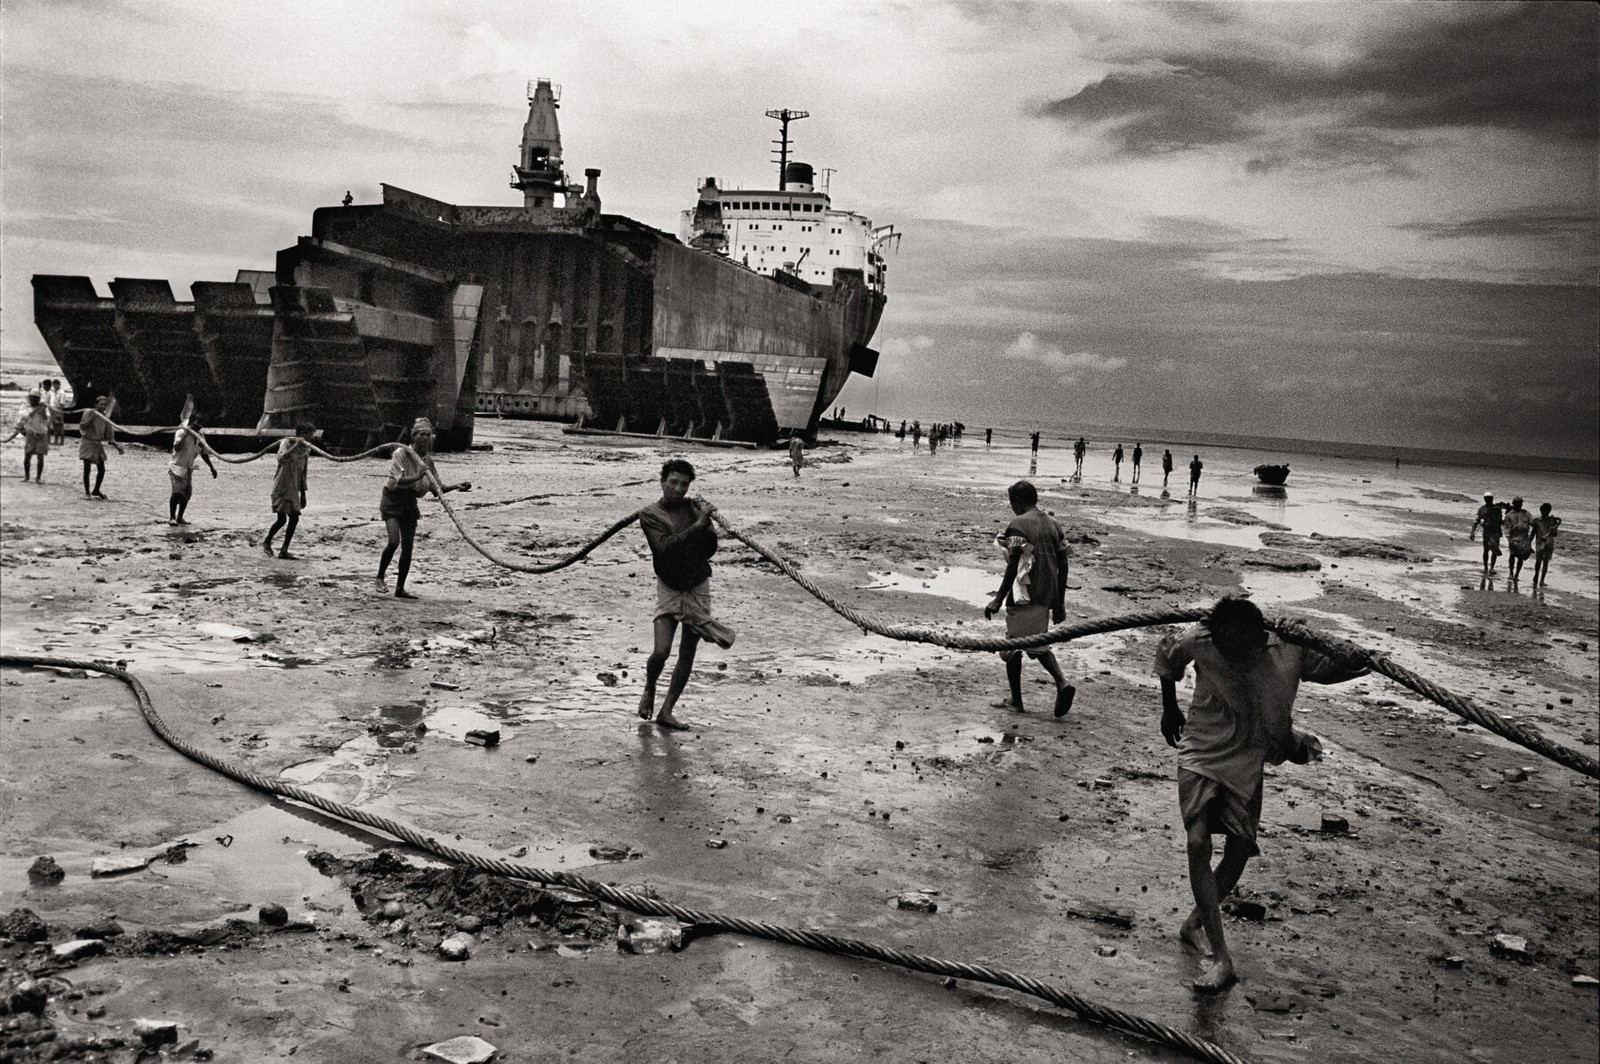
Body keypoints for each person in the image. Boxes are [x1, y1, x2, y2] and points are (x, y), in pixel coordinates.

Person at [1155, 596, 1366, 991]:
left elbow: (1340, 666)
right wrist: (1169, 709)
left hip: (1251, 753)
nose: (1235, 658)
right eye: (1226, 651)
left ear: (1260, 639)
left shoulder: (1287, 647)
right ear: (1215, 638)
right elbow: (1168, 655)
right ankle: (1222, 959)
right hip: (1202, 746)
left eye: (1243, 652)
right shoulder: (1201, 637)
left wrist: (1352, 654)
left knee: (1239, 847)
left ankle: (1195, 922)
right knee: (1197, 839)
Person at [637, 458, 735, 731]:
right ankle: (649, 687)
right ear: (662, 482)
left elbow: (709, 549)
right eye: (673, 483)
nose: (678, 489)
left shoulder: (695, 508)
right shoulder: (650, 514)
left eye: (684, 484)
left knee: (687, 653)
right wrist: (697, 526)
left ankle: (667, 711)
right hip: (669, 586)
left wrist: (705, 524)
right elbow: (665, 548)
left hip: (697, 585)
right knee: (661, 651)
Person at [984, 480, 1075, 717]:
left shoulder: (1019, 525)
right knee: (1036, 643)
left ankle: (1019, 699)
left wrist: (998, 598)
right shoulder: (1054, 524)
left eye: (1011, 502)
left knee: (1014, 645)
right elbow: (1064, 564)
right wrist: (1060, 602)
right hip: (1046, 594)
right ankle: (1060, 682)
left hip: (1023, 594)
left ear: (1017, 501)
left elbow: (1014, 565)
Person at [376, 417, 470, 598]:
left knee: (408, 546)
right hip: (393, 498)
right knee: (394, 541)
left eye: (428, 435)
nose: (425, 438)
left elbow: (437, 487)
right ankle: (380, 577)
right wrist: (418, 476)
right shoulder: (400, 454)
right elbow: (398, 480)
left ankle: (400, 588)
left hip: (409, 501)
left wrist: (456, 486)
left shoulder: (428, 461)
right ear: (413, 436)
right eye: (421, 434)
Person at [264, 422, 315, 559]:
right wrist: (295, 446)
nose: (310, 439)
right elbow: (281, 458)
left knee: (294, 518)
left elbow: (303, 474)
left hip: (294, 489)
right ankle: (267, 541)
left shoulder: (305, 451)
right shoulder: (286, 443)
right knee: (281, 519)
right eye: (309, 435)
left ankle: (284, 549)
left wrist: (303, 494)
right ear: (302, 434)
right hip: (281, 485)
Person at [167, 416, 218, 525]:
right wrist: (186, 433)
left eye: (201, 423)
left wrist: (211, 467)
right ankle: (172, 517)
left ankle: (180, 517)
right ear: (191, 422)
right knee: (176, 492)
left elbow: (204, 453)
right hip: (176, 466)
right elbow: (176, 447)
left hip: (188, 468)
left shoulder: (200, 437)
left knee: (186, 494)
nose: (199, 425)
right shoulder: (181, 432)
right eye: (197, 422)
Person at [77, 396, 122, 498]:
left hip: (97, 444)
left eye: (105, 405)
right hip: (87, 443)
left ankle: (96, 490)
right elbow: (82, 426)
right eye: (101, 404)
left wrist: (116, 445)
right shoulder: (88, 412)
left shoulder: (105, 417)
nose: (103, 407)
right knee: (87, 468)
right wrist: (92, 417)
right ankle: (87, 492)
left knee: (101, 469)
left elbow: (109, 434)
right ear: (96, 405)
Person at [5, 389, 52, 482]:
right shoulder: (24, 406)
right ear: (29, 398)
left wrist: (43, 411)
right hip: (30, 434)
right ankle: (27, 477)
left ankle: (38, 478)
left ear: (39, 399)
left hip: (42, 434)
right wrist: (38, 409)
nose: (33, 400)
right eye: (32, 398)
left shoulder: (44, 408)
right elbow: (26, 417)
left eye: (36, 398)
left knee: (40, 456)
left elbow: (47, 421)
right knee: (27, 455)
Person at [1469, 492, 1506, 573]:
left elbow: (1500, 520)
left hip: (1495, 531)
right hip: (1487, 532)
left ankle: (1492, 567)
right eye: (1486, 498)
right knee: (1486, 550)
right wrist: (1472, 532)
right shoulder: (1482, 509)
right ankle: (1486, 567)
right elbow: (1476, 521)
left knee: (1495, 550)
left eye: (1489, 498)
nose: (1488, 500)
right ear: (1484, 499)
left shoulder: (1497, 508)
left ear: (1492, 498)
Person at [1504, 496, 1533, 585]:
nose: (1519, 505)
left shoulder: (1526, 514)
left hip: (1524, 537)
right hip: (1514, 536)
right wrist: (1509, 539)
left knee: (1521, 557)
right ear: (1513, 504)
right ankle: (1511, 573)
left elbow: (1532, 523)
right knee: (1512, 555)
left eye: (1520, 503)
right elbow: (1507, 528)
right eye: (1517, 503)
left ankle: (1517, 574)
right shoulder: (1509, 515)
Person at [1531, 503, 1561, 588]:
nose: (1545, 512)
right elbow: (1533, 533)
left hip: (1549, 543)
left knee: (1545, 562)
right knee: (1538, 561)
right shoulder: (1537, 521)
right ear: (1541, 511)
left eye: (1547, 511)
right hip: (1539, 543)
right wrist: (1529, 542)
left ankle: (1542, 580)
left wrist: (1553, 529)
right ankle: (1536, 575)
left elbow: (1555, 534)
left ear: (1549, 511)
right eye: (1544, 511)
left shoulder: (1552, 521)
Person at [48, 380, 68, 446]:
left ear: (59, 385)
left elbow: (62, 404)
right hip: (53, 410)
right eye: (53, 385)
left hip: (59, 411)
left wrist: (59, 413)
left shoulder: (62, 393)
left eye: (56, 385)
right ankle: (56, 441)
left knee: (61, 426)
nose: (54, 386)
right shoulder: (53, 392)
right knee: (54, 426)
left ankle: (61, 441)